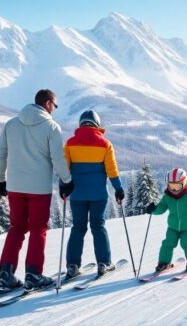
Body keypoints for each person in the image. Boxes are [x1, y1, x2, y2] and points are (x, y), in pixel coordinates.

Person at [0, 89, 72, 292]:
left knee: (17, 228)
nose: (54, 110)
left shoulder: (11, 124)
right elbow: (58, 158)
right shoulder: (51, 127)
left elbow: (1, 153)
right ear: (47, 104)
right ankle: (34, 274)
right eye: (55, 106)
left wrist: (0, 180)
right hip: (39, 189)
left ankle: (6, 274)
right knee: (38, 229)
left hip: (14, 188)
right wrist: (66, 180)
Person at [61, 110, 125, 278]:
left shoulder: (70, 143)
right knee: (98, 226)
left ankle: (72, 265)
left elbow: (64, 169)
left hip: (77, 194)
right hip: (99, 195)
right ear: (97, 124)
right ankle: (104, 263)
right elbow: (111, 169)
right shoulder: (105, 144)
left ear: (81, 123)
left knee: (78, 228)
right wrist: (118, 188)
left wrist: (63, 186)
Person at [145, 168, 187, 272]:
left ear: (184, 182)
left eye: (177, 186)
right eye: (171, 186)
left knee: (186, 242)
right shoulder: (167, 197)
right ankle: (164, 262)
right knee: (167, 243)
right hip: (172, 227)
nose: (174, 189)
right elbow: (161, 208)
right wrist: (154, 209)